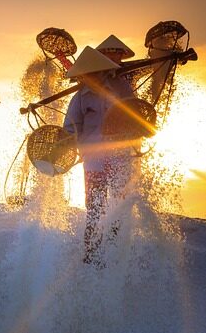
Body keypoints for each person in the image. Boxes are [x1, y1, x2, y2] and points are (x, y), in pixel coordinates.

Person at [62, 46, 134, 265]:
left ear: (101, 71)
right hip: (93, 161)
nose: (88, 77)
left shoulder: (120, 87)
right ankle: (91, 252)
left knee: (119, 203)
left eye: (92, 73)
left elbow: (136, 113)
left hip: (119, 155)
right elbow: (70, 127)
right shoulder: (79, 98)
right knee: (94, 206)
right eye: (85, 75)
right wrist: (68, 141)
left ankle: (115, 250)